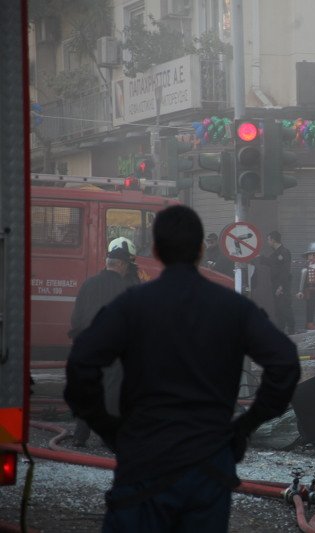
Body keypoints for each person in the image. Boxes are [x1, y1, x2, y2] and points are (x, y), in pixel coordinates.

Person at [63, 205, 300, 532]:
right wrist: (245, 425)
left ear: (156, 250)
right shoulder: (232, 307)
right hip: (208, 465)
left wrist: (109, 429)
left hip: (145, 460)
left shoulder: (131, 305)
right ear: (202, 250)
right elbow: (285, 362)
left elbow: (80, 365)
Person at [69, 237, 138, 447]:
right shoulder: (128, 288)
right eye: (128, 265)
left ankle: (80, 436)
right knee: (112, 389)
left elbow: (77, 317)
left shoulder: (89, 284)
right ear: (122, 264)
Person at [264, 230, 296, 335]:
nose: (267, 242)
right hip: (275, 284)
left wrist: (281, 286)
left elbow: (285, 271)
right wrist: (255, 257)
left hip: (283, 285)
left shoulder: (284, 252)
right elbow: (268, 262)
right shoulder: (274, 254)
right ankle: (281, 330)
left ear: (273, 240)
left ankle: (291, 330)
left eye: (268, 240)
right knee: (278, 308)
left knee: (285, 307)